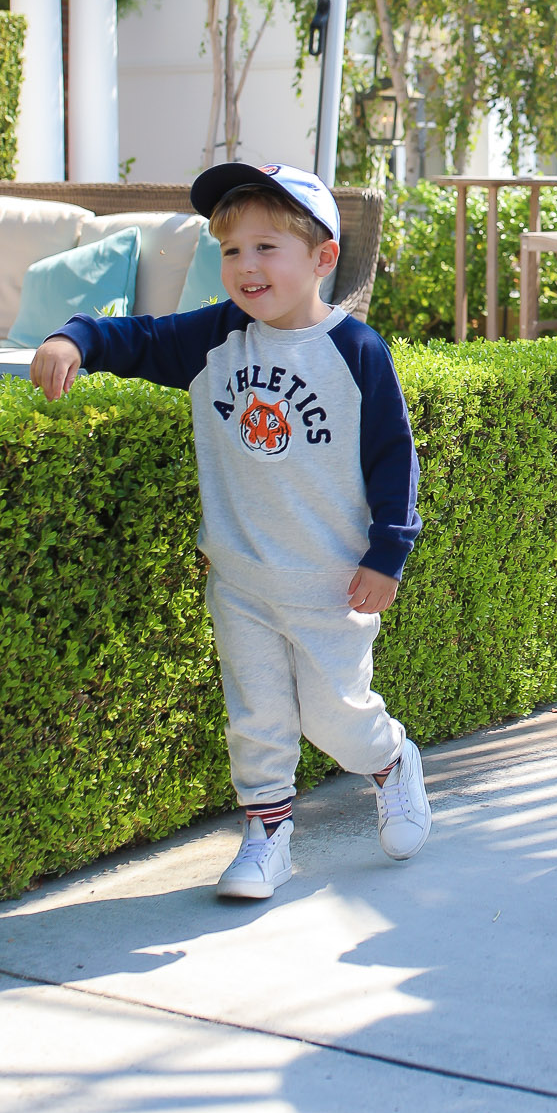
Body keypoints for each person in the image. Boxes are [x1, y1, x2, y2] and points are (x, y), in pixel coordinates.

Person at [30, 162, 431, 901]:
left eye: (266, 247)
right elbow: (139, 339)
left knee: (335, 718)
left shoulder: (356, 351)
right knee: (258, 714)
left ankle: (391, 760)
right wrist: (74, 337)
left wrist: (388, 553)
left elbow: (393, 458)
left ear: (322, 257)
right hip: (241, 577)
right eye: (232, 250)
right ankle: (267, 835)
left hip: (329, 582)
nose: (246, 265)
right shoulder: (216, 337)